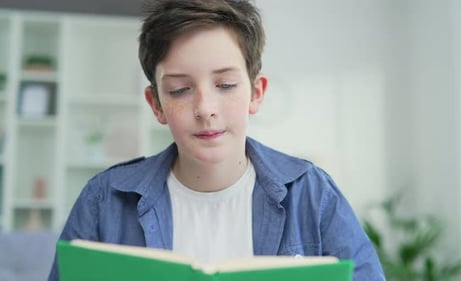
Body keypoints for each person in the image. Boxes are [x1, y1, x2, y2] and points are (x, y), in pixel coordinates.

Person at [48, 0, 385, 280]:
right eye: (180, 90)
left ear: (256, 93)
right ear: (156, 104)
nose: (205, 109)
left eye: (225, 85)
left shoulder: (313, 195)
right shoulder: (103, 201)